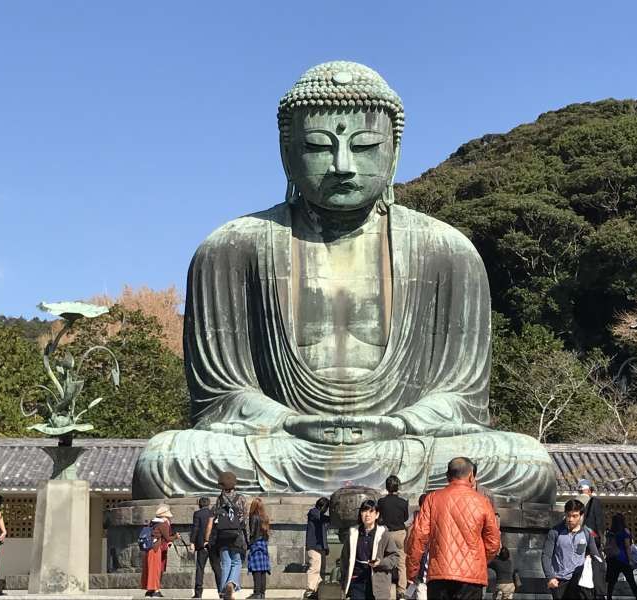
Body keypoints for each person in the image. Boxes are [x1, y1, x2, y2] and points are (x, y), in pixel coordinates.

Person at [131, 61, 557, 505]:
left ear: (394, 151)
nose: (342, 166)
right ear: (286, 152)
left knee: (524, 462)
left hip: (403, 445)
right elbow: (221, 397)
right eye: (318, 146)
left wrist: (402, 423)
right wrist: (286, 422)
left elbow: (462, 398)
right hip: (282, 444)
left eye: (365, 146)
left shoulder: (447, 251)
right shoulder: (231, 248)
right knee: (166, 457)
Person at [407, 457, 501, 600]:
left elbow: (418, 537)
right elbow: (493, 542)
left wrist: (412, 571)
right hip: (471, 575)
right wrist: (478, 560)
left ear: (447, 476)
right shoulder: (482, 502)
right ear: (471, 475)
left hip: (439, 572)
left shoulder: (432, 499)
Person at [541, 499, 602, 600]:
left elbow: (596, 556)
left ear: (581, 516)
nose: (570, 519)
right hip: (560, 581)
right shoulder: (555, 532)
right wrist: (550, 577)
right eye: (568, 515)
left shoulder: (587, 533)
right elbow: (546, 556)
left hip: (580, 582)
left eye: (575, 516)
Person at [341, 499, 399, 600]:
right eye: (364, 511)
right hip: (357, 581)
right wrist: (345, 580)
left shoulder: (384, 534)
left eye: (371, 511)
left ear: (377, 515)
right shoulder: (353, 533)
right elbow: (344, 559)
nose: (367, 514)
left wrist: (380, 563)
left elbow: (394, 557)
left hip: (377, 583)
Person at [205, 471, 248, 600]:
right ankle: (231, 583)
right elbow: (245, 520)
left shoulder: (219, 499)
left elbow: (214, 517)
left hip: (222, 535)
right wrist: (247, 538)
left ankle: (223, 593)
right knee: (237, 561)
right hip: (237, 535)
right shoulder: (241, 498)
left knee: (226, 563)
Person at [378, 475, 409, 599]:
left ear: (387, 487)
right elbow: (406, 518)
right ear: (398, 486)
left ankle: (386, 587)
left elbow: (379, 517)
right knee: (402, 563)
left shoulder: (381, 502)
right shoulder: (403, 502)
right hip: (400, 533)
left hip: (386, 533)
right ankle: (401, 591)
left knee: (386, 561)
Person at [141, 504, 179, 597]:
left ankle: (149, 589)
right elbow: (167, 538)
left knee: (149, 569)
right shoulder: (163, 524)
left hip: (148, 548)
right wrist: (176, 537)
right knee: (156, 569)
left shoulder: (152, 522)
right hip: (155, 548)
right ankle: (156, 590)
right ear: (165, 515)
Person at [604, 513, 637, 600]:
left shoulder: (610, 532)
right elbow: (627, 547)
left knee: (611, 582)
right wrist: (630, 560)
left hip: (612, 559)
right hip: (623, 559)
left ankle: (609, 597)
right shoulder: (624, 532)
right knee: (631, 581)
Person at [404, 494, 429, 600]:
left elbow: (407, 526)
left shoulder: (415, 515)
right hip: (422, 550)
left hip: (415, 549)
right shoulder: (430, 517)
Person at [305, 497, 331, 599]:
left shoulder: (322, 516)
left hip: (321, 546)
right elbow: (320, 517)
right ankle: (310, 590)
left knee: (321, 569)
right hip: (314, 546)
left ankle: (319, 588)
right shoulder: (313, 512)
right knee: (314, 568)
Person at [189, 497, 214, 598]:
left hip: (201, 545)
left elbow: (195, 528)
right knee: (217, 568)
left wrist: (192, 542)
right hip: (213, 545)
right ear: (208, 504)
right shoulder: (212, 513)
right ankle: (222, 591)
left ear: (199, 504)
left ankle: (198, 593)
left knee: (200, 568)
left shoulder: (197, 514)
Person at [247, 497, 271, 599]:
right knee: (263, 571)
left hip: (255, 544)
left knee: (256, 570)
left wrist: (248, 543)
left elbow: (252, 532)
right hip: (263, 545)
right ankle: (262, 593)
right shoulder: (265, 517)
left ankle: (256, 593)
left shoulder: (254, 517)